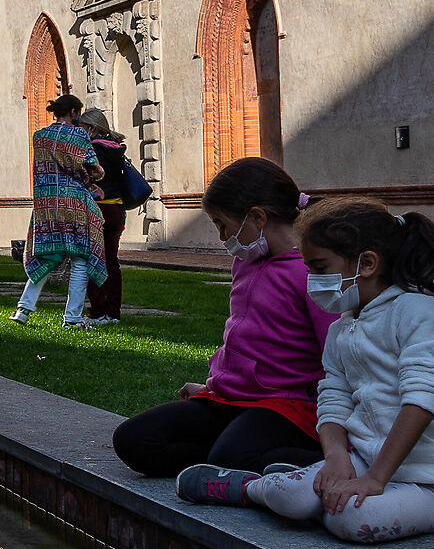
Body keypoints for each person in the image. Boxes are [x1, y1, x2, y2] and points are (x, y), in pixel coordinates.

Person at [179, 197, 434, 544]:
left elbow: (420, 401)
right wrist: (337, 456)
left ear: (367, 264)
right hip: (363, 462)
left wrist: (375, 479)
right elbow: (333, 396)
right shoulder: (343, 326)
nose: (311, 280)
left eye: (320, 268)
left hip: (431, 484)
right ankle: (251, 489)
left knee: (354, 519)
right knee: (293, 497)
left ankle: (291, 493)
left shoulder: (419, 313)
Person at [111, 158, 335, 477]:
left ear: (257, 217)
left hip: (288, 407)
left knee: (233, 458)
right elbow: (245, 337)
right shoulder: (246, 262)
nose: (222, 236)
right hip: (231, 400)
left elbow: (335, 356)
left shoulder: (311, 272)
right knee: (133, 440)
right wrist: (213, 385)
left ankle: (327, 461)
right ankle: (226, 460)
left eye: (222, 224)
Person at [12, 95, 104, 326]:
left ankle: (23, 310)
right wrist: (96, 177)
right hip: (75, 205)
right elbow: (93, 167)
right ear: (73, 112)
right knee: (80, 260)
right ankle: (72, 318)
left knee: (46, 257)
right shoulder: (79, 135)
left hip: (47, 206)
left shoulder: (40, 136)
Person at [78, 106, 130, 327]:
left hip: (98, 209)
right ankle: (113, 312)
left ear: (92, 128)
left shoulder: (92, 150)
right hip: (117, 210)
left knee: (94, 261)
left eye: (82, 128)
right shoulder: (116, 148)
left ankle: (98, 312)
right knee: (112, 262)